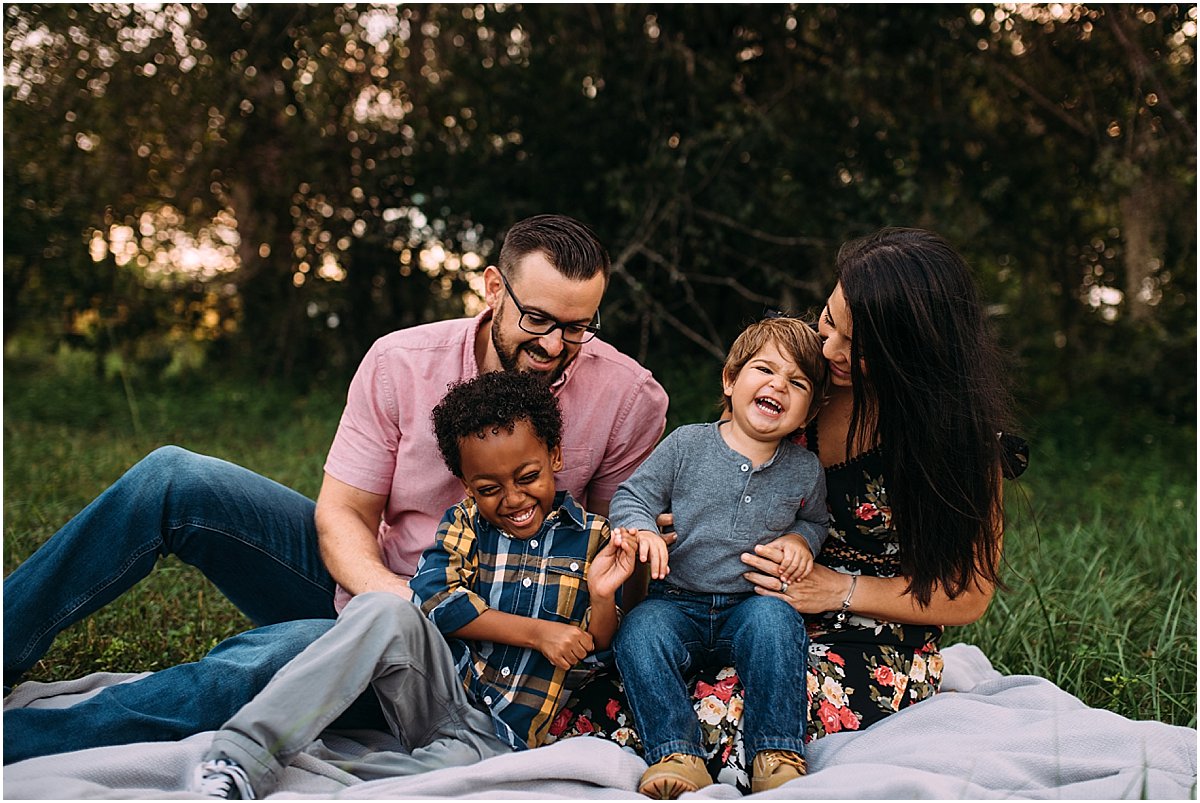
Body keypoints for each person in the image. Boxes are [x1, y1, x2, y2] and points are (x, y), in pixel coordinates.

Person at [3, 214, 669, 764]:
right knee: (174, 475)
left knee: (253, 665)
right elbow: (344, 514)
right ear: (494, 287)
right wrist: (399, 603)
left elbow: (603, 564)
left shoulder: (629, 398)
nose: (557, 345)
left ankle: (18, 741)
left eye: (579, 326)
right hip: (377, 582)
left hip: (476, 645)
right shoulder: (401, 360)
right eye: (539, 320)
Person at [548, 227, 1027, 792]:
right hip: (733, 601)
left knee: (721, 718)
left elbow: (967, 593)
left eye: (857, 344)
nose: (829, 351)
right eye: (830, 319)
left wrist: (837, 588)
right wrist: (679, 521)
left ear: (909, 351)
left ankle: (760, 761)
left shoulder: (956, 443)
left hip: (867, 633)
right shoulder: (806, 381)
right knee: (613, 688)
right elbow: (715, 462)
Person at [190, 371, 639, 799]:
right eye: (488, 488)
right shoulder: (465, 523)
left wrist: (600, 595)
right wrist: (538, 632)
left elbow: (598, 644)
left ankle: (315, 778)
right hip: (438, 690)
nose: (514, 499)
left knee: (392, 783)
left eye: (527, 477)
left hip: (498, 735)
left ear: (555, 457)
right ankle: (240, 759)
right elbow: (437, 599)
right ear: (466, 485)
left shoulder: (594, 537)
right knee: (384, 608)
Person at [608, 316, 831, 798]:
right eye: (765, 371)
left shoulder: (805, 470)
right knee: (639, 632)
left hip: (750, 603)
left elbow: (815, 522)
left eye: (797, 382)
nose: (778, 385)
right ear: (731, 380)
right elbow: (632, 497)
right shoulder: (687, 444)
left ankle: (775, 751)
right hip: (677, 599)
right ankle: (676, 752)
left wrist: (800, 542)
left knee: (778, 624)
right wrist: (643, 530)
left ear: (808, 413)